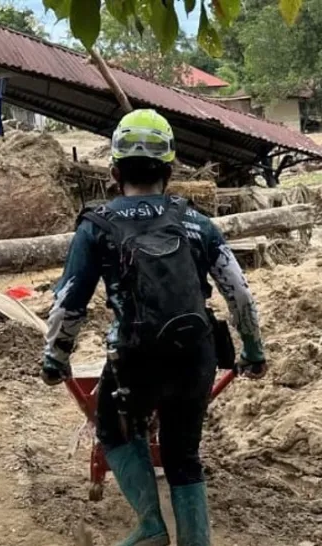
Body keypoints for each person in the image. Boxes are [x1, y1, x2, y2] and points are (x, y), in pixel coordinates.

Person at [40, 109, 267, 546]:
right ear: (170, 171)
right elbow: (238, 293)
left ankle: (150, 525)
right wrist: (253, 350)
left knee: (113, 429)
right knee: (184, 453)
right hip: (195, 354)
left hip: (135, 358)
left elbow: (69, 302)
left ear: (114, 172)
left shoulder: (97, 227)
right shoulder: (196, 224)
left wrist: (56, 357)